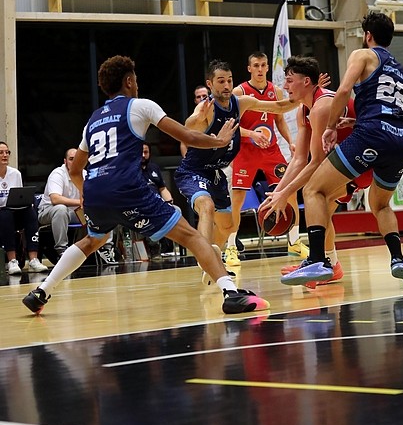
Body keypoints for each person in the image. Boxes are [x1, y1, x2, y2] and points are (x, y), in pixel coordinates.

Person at [22, 55, 269, 316]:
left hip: (95, 190)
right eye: (136, 80)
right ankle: (231, 293)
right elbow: (187, 136)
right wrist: (219, 141)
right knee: (192, 236)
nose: (137, 84)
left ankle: (41, 292)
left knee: (92, 240)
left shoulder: (93, 119)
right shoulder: (141, 106)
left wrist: (85, 193)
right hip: (127, 188)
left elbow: (75, 169)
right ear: (129, 81)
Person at [281, 12, 403, 288]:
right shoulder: (400, 69)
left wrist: (331, 126)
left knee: (313, 190)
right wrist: (356, 121)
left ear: (368, 35)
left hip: (371, 135)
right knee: (380, 204)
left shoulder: (362, 54)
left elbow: (344, 90)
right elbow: (386, 106)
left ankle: (318, 260)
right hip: (400, 139)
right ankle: (398, 259)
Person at [174, 58, 300, 282]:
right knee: (206, 206)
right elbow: (188, 126)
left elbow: (279, 107)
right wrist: (198, 119)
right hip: (195, 170)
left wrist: (305, 95)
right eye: (220, 81)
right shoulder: (206, 108)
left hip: (217, 172)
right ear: (210, 84)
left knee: (227, 226)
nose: (226, 85)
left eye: (229, 80)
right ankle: (207, 262)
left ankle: (211, 261)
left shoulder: (240, 103)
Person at [259, 55, 372, 285]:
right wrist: (277, 193)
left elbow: (316, 162)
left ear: (307, 82)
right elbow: (299, 159)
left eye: (289, 81)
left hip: (365, 160)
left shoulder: (322, 107)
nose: (285, 86)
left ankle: (320, 262)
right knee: (321, 208)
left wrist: (285, 193)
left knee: (316, 197)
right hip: (342, 162)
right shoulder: (304, 110)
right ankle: (328, 264)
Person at [225, 51, 305, 268]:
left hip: (271, 150)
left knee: (289, 190)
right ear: (249, 68)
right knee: (237, 198)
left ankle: (294, 241)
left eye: (263, 65)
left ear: (268, 67)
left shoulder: (275, 91)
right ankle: (231, 247)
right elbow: (230, 126)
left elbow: (280, 120)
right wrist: (251, 134)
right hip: (246, 151)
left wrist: (290, 141)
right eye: (256, 65)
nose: (260, 69)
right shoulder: (239, 92)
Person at [0, 141, 48, 275]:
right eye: (1, 153)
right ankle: (12, 260)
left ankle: (33, 259)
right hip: (2, 214)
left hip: (15, 212)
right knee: (5, 215)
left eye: (7, 152)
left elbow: (19, 197)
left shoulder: (15, 174)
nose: (5, 155)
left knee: (30, 212)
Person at [37, 148, 84, 259]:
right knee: (61, 209)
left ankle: (104, 248)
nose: (74, 162)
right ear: (65, 161)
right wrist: (80, 202)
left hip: (74, 213)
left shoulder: (85, 174)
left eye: (77, 159)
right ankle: (62, 250)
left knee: (100, 208)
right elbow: (55, 199)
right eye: (71, 159)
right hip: (48, 211)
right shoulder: (57, 174)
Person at [140, 142, 174, 258]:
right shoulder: (130, 170)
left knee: (175, 211)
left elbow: (162, 188)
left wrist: (169, 201)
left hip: (158, 204)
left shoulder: (154, 168)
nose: (143, 155)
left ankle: (168, 247)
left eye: (146, 152)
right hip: (141, 205)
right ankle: (154, 245)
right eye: (141, 152)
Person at [180, 85, 210, 158]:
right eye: (198, 97)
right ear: (195, 101)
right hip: (198, 158)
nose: (202, 99)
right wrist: (187, 160)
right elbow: (183, 143)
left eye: (204, 96)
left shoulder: (218, 114)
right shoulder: (191, 120)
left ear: (210, 97)